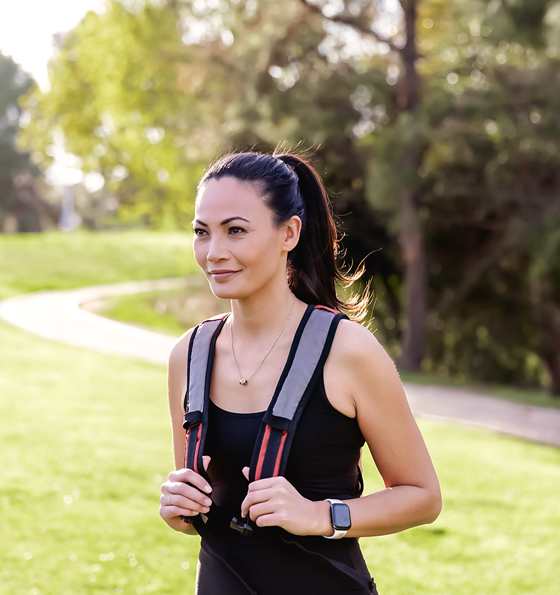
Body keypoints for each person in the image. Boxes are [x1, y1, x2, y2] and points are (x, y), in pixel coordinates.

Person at [160, 151, 442, 594]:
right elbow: (199, 517)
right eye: (202, 232)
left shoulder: (348, 351)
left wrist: (319, 515)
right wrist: (181, 508)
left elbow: (422, 497)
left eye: (236, 230)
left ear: (288, 233)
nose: (214, 252)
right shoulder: (188, 355)